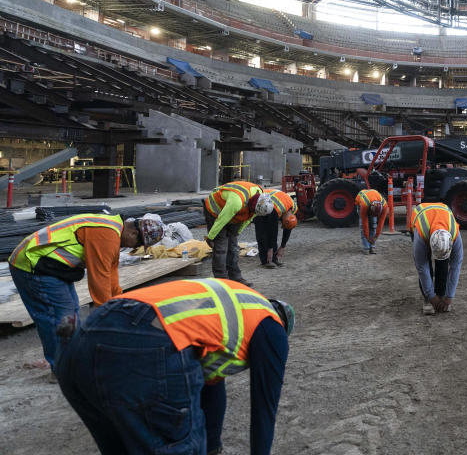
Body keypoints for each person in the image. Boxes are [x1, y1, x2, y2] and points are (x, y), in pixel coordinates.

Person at [56, 278, 293, 455]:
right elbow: (265, 406)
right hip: (145, 338)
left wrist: (212, 447)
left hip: (85, 337)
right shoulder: (270, 326)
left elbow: (211, 388)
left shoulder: (228, 310)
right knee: (179, 446)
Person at [8, 213, 164, 373]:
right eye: (136, 244)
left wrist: (121, 307)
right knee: (59, 317)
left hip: (52, 266)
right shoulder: (106, 235)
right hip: (32, 263)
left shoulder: (114, 230)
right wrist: (110, 319)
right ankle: (63, 370)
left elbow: (111, 278)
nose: (133, 248)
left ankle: (69, 361)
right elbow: (99, 281)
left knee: (72, 314)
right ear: (133, 233)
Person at [204, 181, 272, 285]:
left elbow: (248, 219)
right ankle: (222, 281)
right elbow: (222, 220)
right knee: (221, 248)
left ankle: (235, 277)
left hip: (234, 213)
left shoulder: (259, 200)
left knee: (233, 247)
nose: (254, 214)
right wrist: (211, 237)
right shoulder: (237, 201)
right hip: (216, 211)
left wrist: (237, 233)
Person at [410, 202, 464, 315]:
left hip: (443, 212)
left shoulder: (454, 235)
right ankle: (427, 299)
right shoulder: (421, 233)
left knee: (443, 264)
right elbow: (421, 266)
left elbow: (455, 265)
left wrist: (449, 296)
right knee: (427, 265)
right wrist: (431, 296)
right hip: (420, 216)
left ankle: (441, 295)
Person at [255, 188, 298, 268]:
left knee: (271, 237)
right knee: (263, 233)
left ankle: (274, 259)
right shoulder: (277, 210)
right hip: (261, 202)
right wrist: (270, 249)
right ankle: (265, 260)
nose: (281, 225)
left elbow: (288, 228)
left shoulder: (294, 210)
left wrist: (282, 247)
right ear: (283, 218)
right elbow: (273, 231)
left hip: (271, 199)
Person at [355, 188, 384, 254]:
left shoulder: (384, 205)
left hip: (372, 198)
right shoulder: (364, 205)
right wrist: (368, 238)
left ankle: (372, 247)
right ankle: (366, 248)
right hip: (360, 202)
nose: (373, 216)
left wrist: (376, 237)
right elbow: (365, 224)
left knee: (373, 225)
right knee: (363, 226)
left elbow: (381, 223)